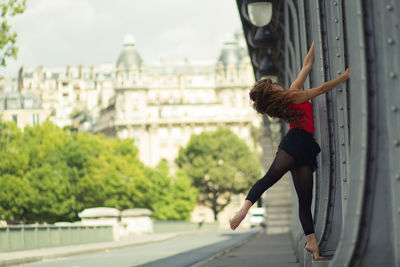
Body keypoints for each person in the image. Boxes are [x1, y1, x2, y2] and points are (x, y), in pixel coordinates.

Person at [229, 42, 350, 260]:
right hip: (299, 145)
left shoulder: (292, 92)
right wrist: (345, 76)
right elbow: (321, 89)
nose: (276, 84)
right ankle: (243, 210)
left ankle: (312, 244)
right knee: (292, 194)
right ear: (272, 92)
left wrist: (316, 43)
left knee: (299, 197)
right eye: (273, 85)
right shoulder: (292, 96)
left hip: (299, 146)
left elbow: (306, 64)